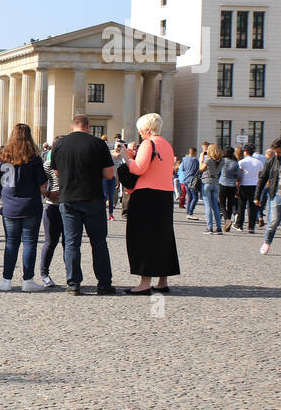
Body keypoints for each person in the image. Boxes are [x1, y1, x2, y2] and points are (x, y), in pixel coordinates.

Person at [50, 114, 116, 296]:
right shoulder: (98, 144)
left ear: (73, 126)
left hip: (68, 198)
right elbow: (110, 174)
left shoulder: (59, 144)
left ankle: (73, 284)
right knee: (99, 243)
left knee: (71, 243)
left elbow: (56, 170)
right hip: (93, 197)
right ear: (88, 126)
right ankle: (103, 283)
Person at [123, 113, 179, 294]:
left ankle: (144, 282)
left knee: (143, 237)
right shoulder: (167, 145)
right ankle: (163, 280)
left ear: (147, 129)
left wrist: (127, 157)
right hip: (165, 193)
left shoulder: (149, 143)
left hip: (146, 194)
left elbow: (138, 169)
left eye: (140, 130)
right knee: (163, 236)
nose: (140, 134)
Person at [0, 123, 48, 292]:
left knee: (11, 243)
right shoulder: (34, 158)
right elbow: (42, 182)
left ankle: (6, 279)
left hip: (10, 205)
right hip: (30, 204)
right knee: (29, 243)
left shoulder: (2, 157)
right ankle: (28, 280)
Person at [37, 136, 64, 288]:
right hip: (53, 205)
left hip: (69, 206)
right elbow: (40, 184)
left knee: (70, 244)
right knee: (50, 242)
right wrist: (47, 194)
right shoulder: (47, 164)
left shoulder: (72, 162)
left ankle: (71, 274)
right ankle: (44, 273)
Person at [235, 144, 265, 233]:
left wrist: (237, 188)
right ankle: (251, 227)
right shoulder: (259, 162)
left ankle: (239, 225)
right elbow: (260, 176)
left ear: (245, 152)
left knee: (241, 206)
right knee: (252, 208)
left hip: (243, 186)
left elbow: (239, 177)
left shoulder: (241, 162)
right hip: (254, 186)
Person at [198, 143, 224, 234]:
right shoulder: (222, 161)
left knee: (208, 205)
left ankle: (209, 227)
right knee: (215, 206)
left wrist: (201, 160)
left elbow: (201, 169)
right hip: (216, 183)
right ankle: (219, 227)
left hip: (206, 183)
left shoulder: (208, 160)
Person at [179, 147, 200, 216]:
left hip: (186, 180)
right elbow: (198, 170)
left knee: (189, 196)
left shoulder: (184, 159)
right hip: (193, 180)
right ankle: (190, 212)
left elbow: (182, 168)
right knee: (195, 197)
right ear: (195, 152)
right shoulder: (195, 160)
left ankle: (188, 212)